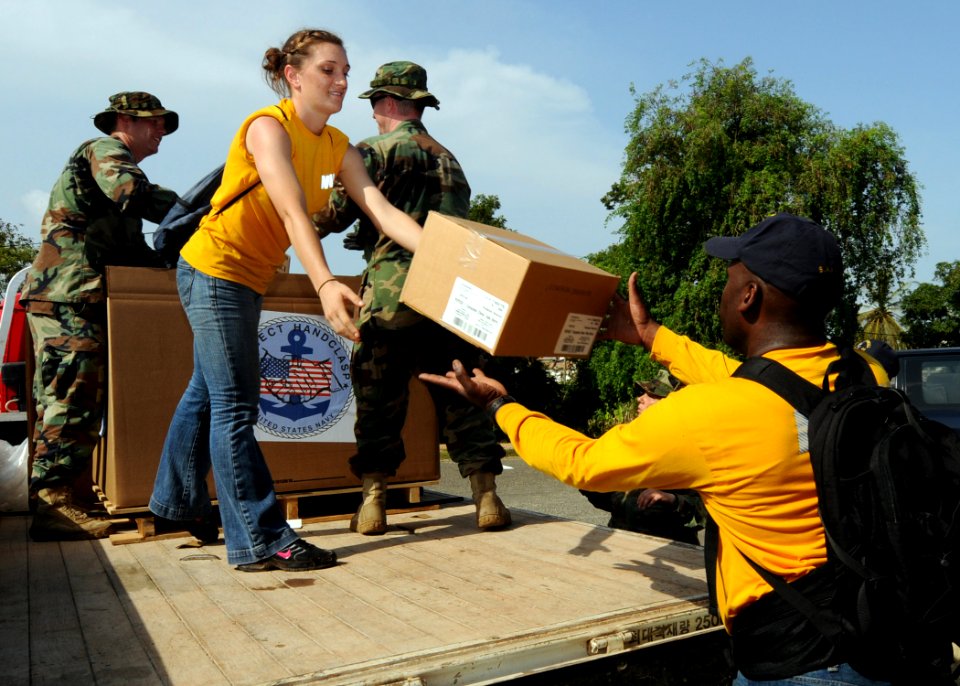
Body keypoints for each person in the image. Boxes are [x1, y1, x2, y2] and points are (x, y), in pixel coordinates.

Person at [422, 214, 898, 684]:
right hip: (888, 633)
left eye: (730, 281)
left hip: (801, 660)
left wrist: (500, 406)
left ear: (749, 296)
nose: (724, 294)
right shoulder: (863, 376)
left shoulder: (709, 414)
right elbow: (756, 381)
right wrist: (651, 336)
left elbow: (583, 463)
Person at [148, 29, 425, 572]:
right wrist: (324, 284)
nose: (342, 81)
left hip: (252, 279)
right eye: (328, 70)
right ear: (293, 75)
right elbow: (294, 212)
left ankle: (175, 501)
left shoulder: (338, 144)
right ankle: (261, 538)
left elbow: (382, 212)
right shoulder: (267, 128)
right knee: (235, 404)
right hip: (213, 269)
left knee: (208, 391)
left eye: (345, 70)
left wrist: (454, 255)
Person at [315, 61, 510, 535]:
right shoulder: (450, 158)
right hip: (453, 293)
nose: (373, 115)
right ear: (418, 105)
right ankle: (487, 499)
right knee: (465, 393)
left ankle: (373, 503)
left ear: (386, 103)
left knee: (379, 397)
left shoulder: (372, 151)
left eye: (375, 106)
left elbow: (332, 215)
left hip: (391, 292)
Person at [21, 92, 178, 541]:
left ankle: (70, 496)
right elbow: (132, 192)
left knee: (79, 401)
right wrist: (197, 209)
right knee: (69, 399)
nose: (161, 131)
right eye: (155, 123)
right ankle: (53, 505)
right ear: (125, 121)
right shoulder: (106, 151)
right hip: (68, 295)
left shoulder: (117, 179)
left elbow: (132, 253)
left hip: (79, 296)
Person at [580, 371, 704, 544]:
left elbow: (706, 509)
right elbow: (612, 501)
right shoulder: (628, 440)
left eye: (652, 394)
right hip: (623, 545)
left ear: (670, 404)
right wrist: (587, 480)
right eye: (643, 393)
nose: (641, 398)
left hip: (670, 551)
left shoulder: (691, 449)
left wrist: (672, 500)